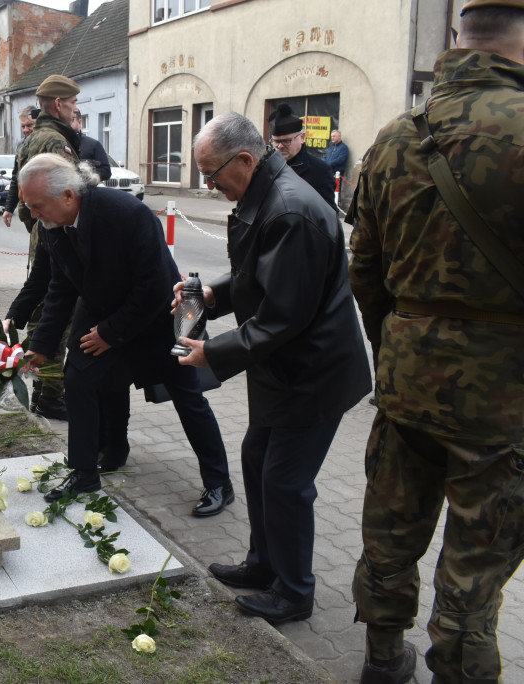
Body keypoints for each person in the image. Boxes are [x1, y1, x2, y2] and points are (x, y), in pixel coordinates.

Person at [347, 1, 524, 680]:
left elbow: (365, 269)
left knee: (389, 534)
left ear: (459, 36)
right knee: (475, 571)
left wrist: (396, 347)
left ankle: (382, 660)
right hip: (502, 398)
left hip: (407, 380)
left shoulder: (395, 136)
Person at [179, 112, 370, 625]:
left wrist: (212, 352)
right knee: (256, 460)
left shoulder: (289, 209)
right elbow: (257, 275)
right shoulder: (263, 195)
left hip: (313, 374)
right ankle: (264, 565)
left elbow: (283, 317)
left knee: (284, 482)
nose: (209, 185)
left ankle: (294, 591)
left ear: (244, 159)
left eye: (212, 174)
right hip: (285, 370)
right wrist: (214, 295)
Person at [18, 154, 233, 514]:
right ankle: (84, 471)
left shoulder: (125, 213)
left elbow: (154, 286)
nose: (34, 215)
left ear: (69, 196)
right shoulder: (54, 225)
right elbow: (61, 287)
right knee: (80, 378)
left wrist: (110, 333)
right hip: (102, 312)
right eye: (28, 206)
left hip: (163, 316)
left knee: (188, 396)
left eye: (38, 206)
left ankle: (218, 483)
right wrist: (41, 346)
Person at [12, 74, 84, 421]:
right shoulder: (57, 142)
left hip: (40, 234)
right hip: (57, 234)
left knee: (41, 314)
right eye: (71, 104)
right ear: (58, 104)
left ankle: (36, 385)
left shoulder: (29, 139)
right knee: (59, 318)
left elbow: (21, 194)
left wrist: (35, 227)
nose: (74, 110)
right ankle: (50, 393)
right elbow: (72, 195)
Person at [268, 104, 336, 208]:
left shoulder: (321, 171)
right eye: (276, 141)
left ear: (302, 137)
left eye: (286, 141)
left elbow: (328, 216)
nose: (280, 146)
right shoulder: (266, 167)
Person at [1, 106, 37, 229]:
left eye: (29, 125)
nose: (26, 130)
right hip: (27, 206)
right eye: (23, 126)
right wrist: (9, 208)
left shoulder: (48, 141)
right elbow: (16, 178)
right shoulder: (21, 144)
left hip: (46, 206)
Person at [71, 106, 111, 181]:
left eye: (72, 120)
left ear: (79, 122)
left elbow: (106, 171)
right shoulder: (58, 142)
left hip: (87, 189)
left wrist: (88, 173)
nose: (68, 124)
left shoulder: (93, 145)